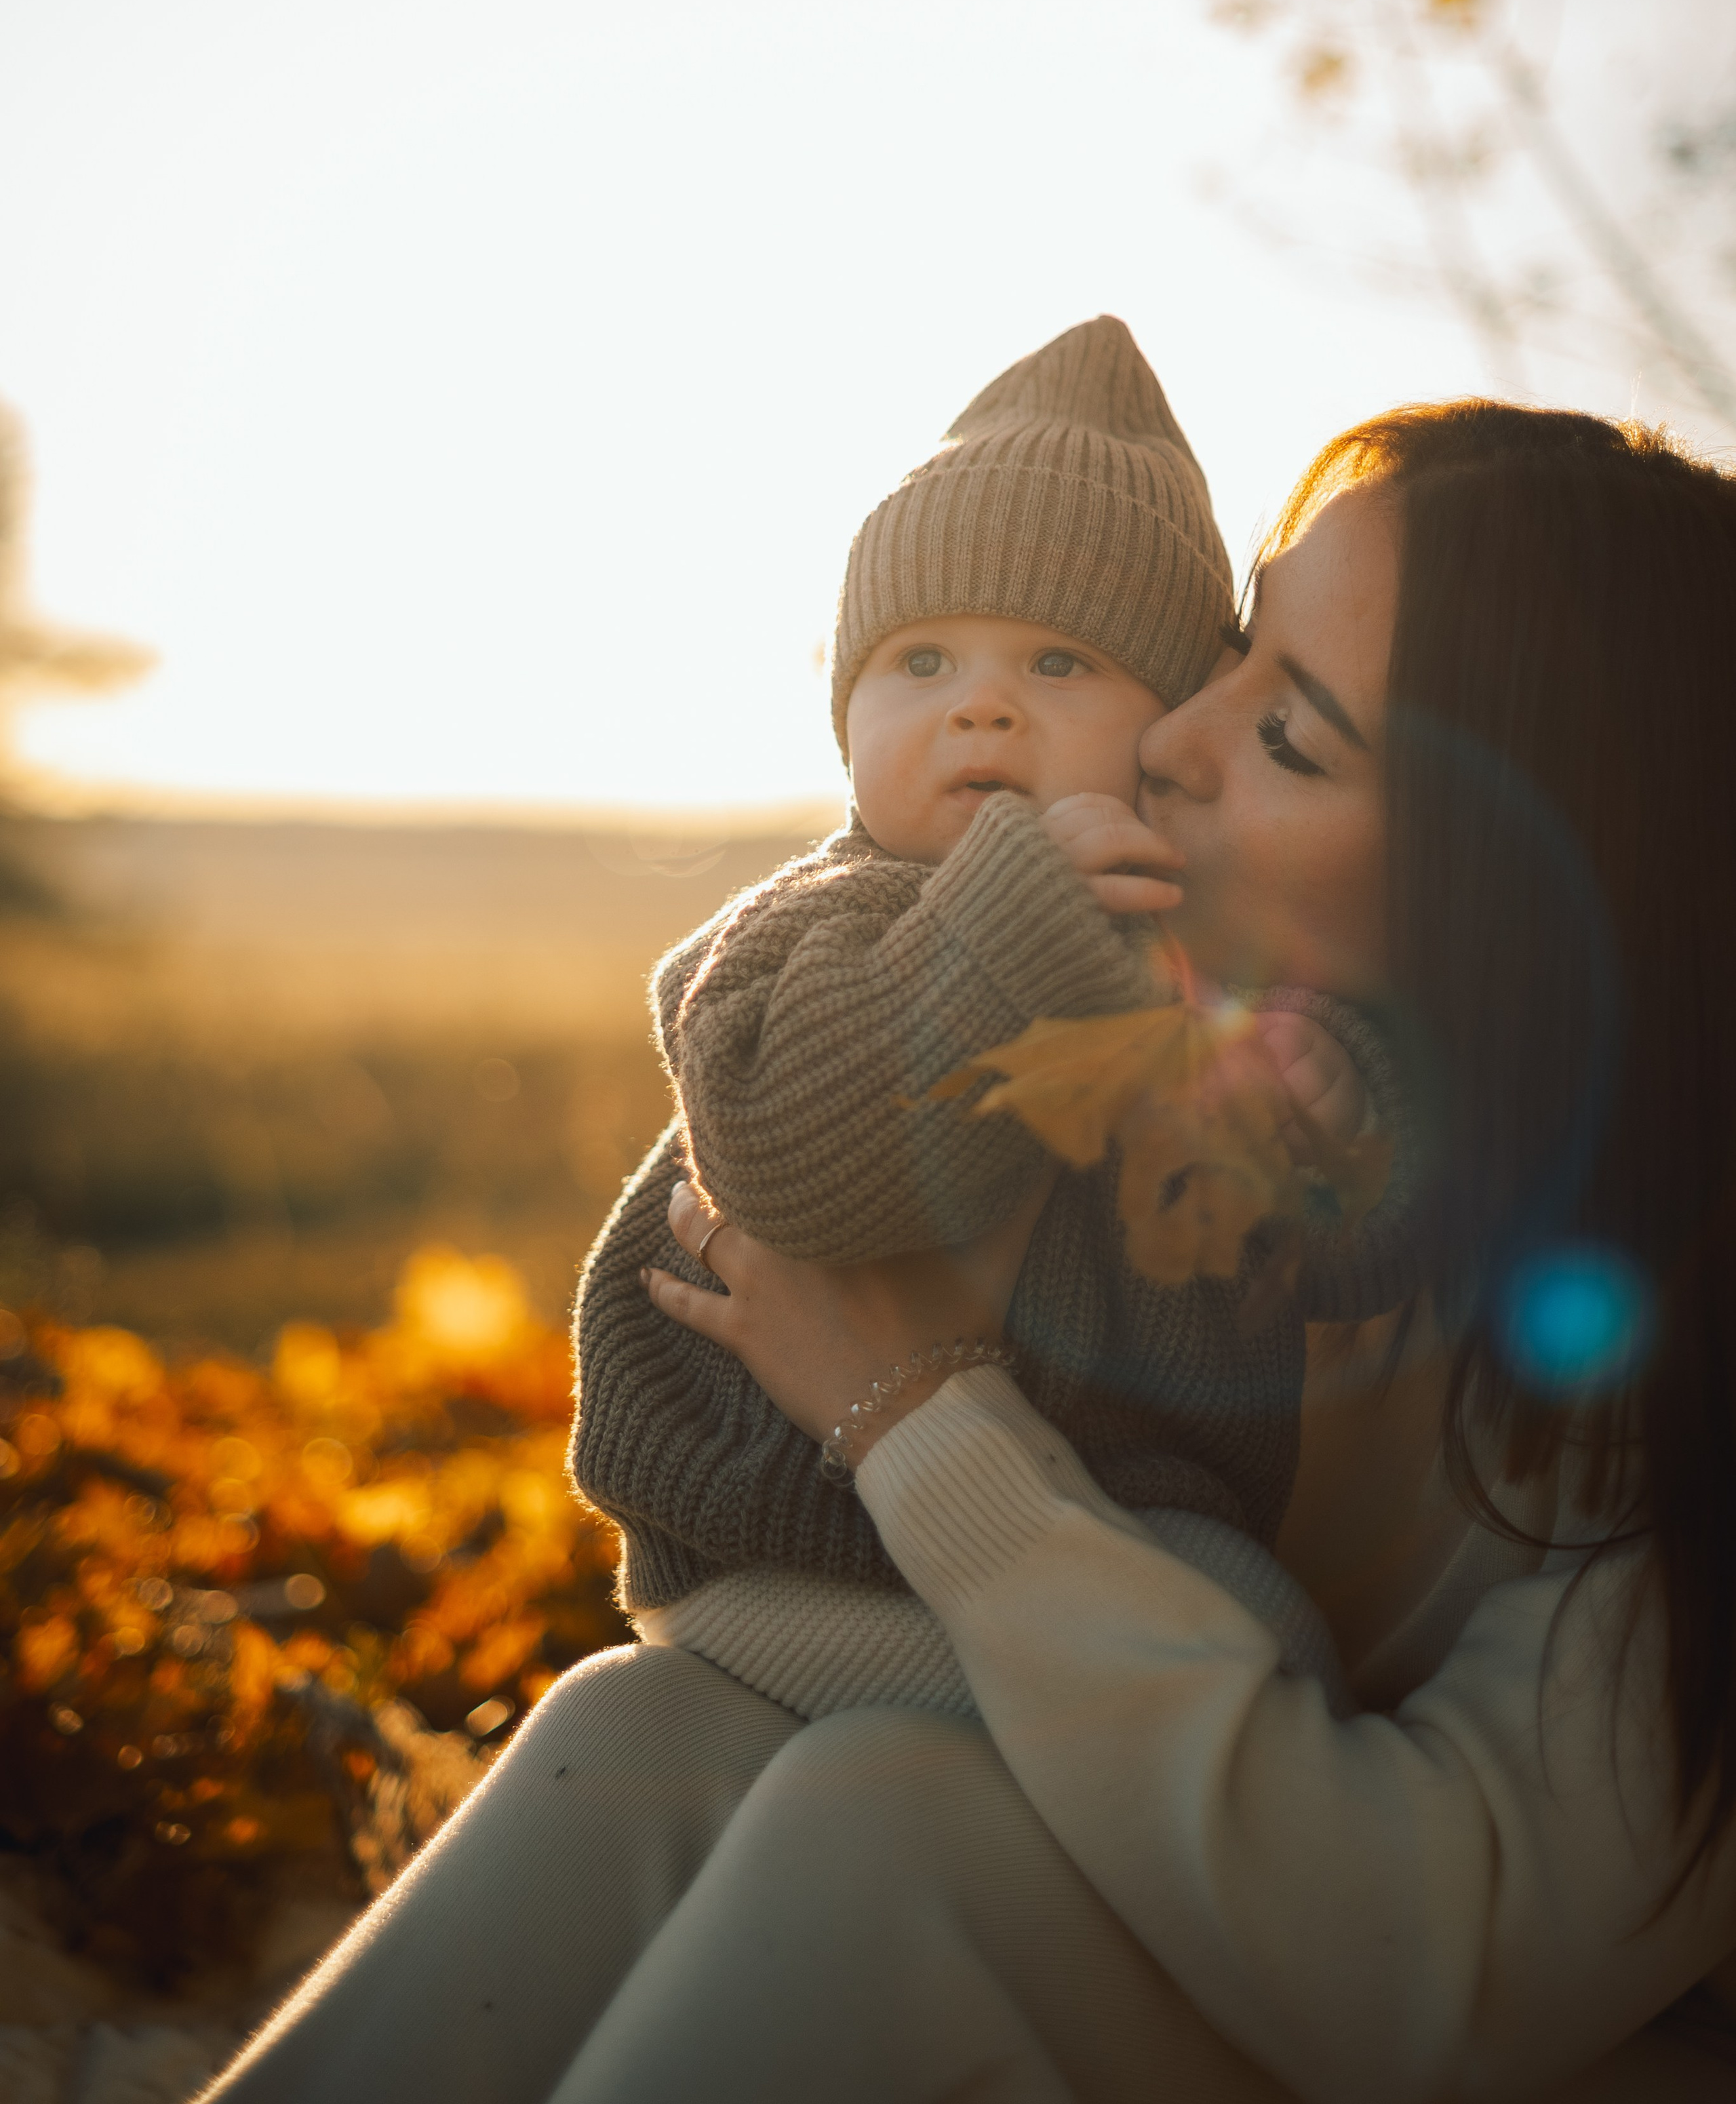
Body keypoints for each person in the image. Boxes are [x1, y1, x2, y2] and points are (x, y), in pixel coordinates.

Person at [202, 399, 1736, 2104]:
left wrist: (917, 1406)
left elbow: (1425, 1961)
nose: (1166, 737)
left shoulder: (1669, 1390)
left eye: (1288, 737)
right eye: (1230, 646)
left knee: (893, 1834)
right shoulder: (1197, 1114)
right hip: (1169, 1915)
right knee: (643, 1731)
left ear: (1544, 883)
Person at [572, 313, 1373, 1721]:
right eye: (920, 663)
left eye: (1058, 665)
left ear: (1173, 716)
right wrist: (1009, 922)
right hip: (797, 1532)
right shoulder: (822, 920)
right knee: (1179, 1693)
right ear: (844, 713)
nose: (982, 710)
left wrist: (1349, 1108)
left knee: (1272, 1635)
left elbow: (1348, 1260)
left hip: (1120, 1512)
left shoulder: (1206, 951)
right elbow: (787, 1162)